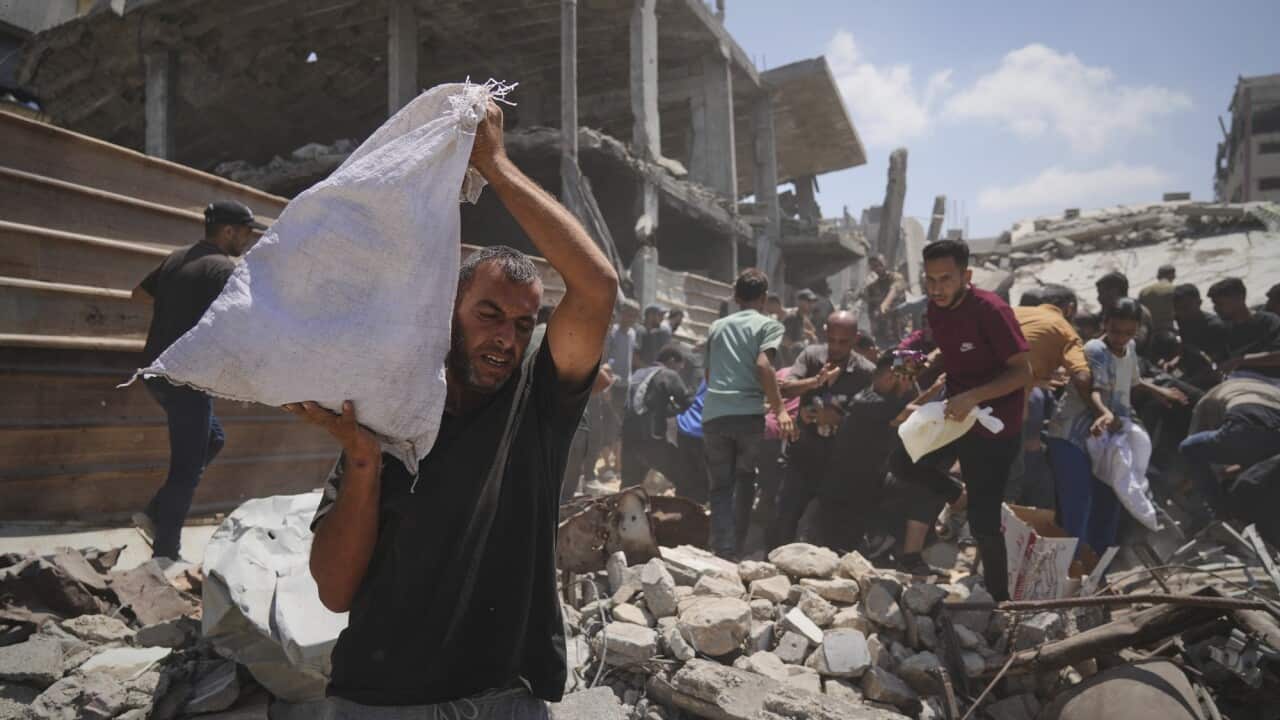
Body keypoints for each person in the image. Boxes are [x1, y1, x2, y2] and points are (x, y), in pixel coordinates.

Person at [293, 101, 617, 717]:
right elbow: (335, 593)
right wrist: (362, 462)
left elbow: (597, 285)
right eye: (489, 315)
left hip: (504, 696)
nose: (506, 338)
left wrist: (494, 165)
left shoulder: (538, 400)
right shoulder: (392, 412)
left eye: (523, 325)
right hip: (381, 700)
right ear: (449, 310)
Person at [130, 200, 263, 560]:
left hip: (155, 371)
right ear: (229, 231)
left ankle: (156, 512)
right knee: (186, 469)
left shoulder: (177, 258)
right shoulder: (223, 269)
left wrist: (177, 305)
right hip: (186, 376)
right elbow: (241, 324)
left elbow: (138, 295)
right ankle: (166, 553)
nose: (249, 241)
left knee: (213, 438)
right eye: (247, 232)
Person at [914, 239, 1032, 601]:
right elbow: (950, 354)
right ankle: (957, 495)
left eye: (946, 279)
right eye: (930, 280)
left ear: (966, 276)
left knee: (984, 522)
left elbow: (1022, 372)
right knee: (904, 462)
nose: (937, 289)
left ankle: (1001, 601)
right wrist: (921, 366)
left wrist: (973, 396)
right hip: (955, 411)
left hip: (995, 425)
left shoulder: (991, 310)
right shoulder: (936, 309)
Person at [1045, 299, 1185, 556]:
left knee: (1109, 502)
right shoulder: (1095, 349)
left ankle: (1098, 568)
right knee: (1079, 503)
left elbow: (1132, 379)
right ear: (1105, 324)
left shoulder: (1129, 347)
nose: (1121, 338)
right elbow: (1092, 390)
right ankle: (1076, 571)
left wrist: (1159, 390)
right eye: (1116, 331)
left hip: (1105, 437)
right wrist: (1106, 413)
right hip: (1072, 435)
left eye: (1128, 333)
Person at [703, 269, 794, 560]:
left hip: (715, 414)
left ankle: (723, 546)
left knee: (719, 487)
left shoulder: (716, 327)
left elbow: (708, 373)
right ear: (765, 298)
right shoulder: (769, 326)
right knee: (744, 482)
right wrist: (779, 408)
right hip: (747, 417)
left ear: (736, 297)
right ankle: (736, 550)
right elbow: (764, 365)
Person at [819, 350, 946, 558]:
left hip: (869, 485)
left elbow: (906, 405)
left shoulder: (883, 396)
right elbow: (908, 413)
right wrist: (936, 390)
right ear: (890, 377)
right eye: (908, 379)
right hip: (849, 498)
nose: (910, 385)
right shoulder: (870, 402)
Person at [768, 311, 875, 549]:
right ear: (825, 332)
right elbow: (784, 389)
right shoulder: (811, 356)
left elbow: (870, 420)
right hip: (802, 453)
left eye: (844, 342)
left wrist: (839, 419)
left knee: (830, 527)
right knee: (785, 516)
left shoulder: (866, 372)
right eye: (833, 340)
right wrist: (815, 383)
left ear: (854, 338)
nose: (836, 347)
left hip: (839, 462)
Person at [1179, 377, 1280, 523]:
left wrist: (1190, 484)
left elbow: (1196, 453)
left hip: (1248, 423)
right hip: (1272, 429)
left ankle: (1220, 513)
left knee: (1188, 448)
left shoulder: (1204, 404)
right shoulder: (1259, 384)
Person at [621, 346, 696, 489]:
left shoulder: (639, 373)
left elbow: (645, 402)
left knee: (629, 486)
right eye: (679, 368)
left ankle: (622, 510)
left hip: (628, 436)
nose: (678, 373)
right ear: (672, 361)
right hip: (650, 438)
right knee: (685, 478)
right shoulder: (668, 374)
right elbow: (687, 403)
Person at [1208, 277, 1280, 383]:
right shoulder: (1222, 328)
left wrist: (1241, 361)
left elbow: (1277, 357)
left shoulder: (1269, 322)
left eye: (1220, 304)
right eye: (1214, 304)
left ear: (1239, 299)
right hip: (1237, 380)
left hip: (1271, 381)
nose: (1215, 309)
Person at [1095, 271, 1153, 352]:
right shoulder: (1106, 313)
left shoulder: (1138, 312)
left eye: (1102, 293)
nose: (1099, 298)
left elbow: (1138, 343)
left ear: (1116, 292)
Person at [1172, 283, 1229, 362]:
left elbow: (1220, 358)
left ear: (1199, 303)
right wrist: (1174, 361)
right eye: (1177, 308)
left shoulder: (1215, 326)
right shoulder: (1180, 321)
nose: (1182, 312)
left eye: (1186, 307)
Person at [863, 254, 906, 346]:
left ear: (884, 263)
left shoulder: (896, 277)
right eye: (874, 266)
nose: (878, 268)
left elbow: (894, 289)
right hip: (881, 333)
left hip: (899, 331)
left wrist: (885, 303)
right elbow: (870, 308)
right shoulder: (872, 286)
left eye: (879, 265)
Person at [1138, 264, 1177, 333]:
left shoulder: (1144, 291)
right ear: (1173, 276)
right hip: (1167, 331)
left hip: (1149, 332)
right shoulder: (1175, 290)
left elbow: (1140, 313)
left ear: (1158, 276)